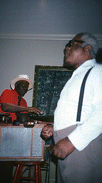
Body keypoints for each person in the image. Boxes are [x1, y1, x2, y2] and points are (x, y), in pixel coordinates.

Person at [41, 32, 102, 183]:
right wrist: (55, 127)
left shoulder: (98, 72)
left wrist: (71, 141)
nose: (66, 48)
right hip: (69, 143)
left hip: (81, 145)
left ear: (87, 49)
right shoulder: (79, 75)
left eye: (71, 43)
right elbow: (80, 112)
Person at [0, 74, 42, 183]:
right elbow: (5, 107)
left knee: (8, 161)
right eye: (22, 85)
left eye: (26, 87)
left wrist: (37, 122)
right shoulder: (7, 92)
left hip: (12, 132)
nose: (24, 88)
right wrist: (27, 109)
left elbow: (23, 119)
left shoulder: (24, 102)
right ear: (16, 85)